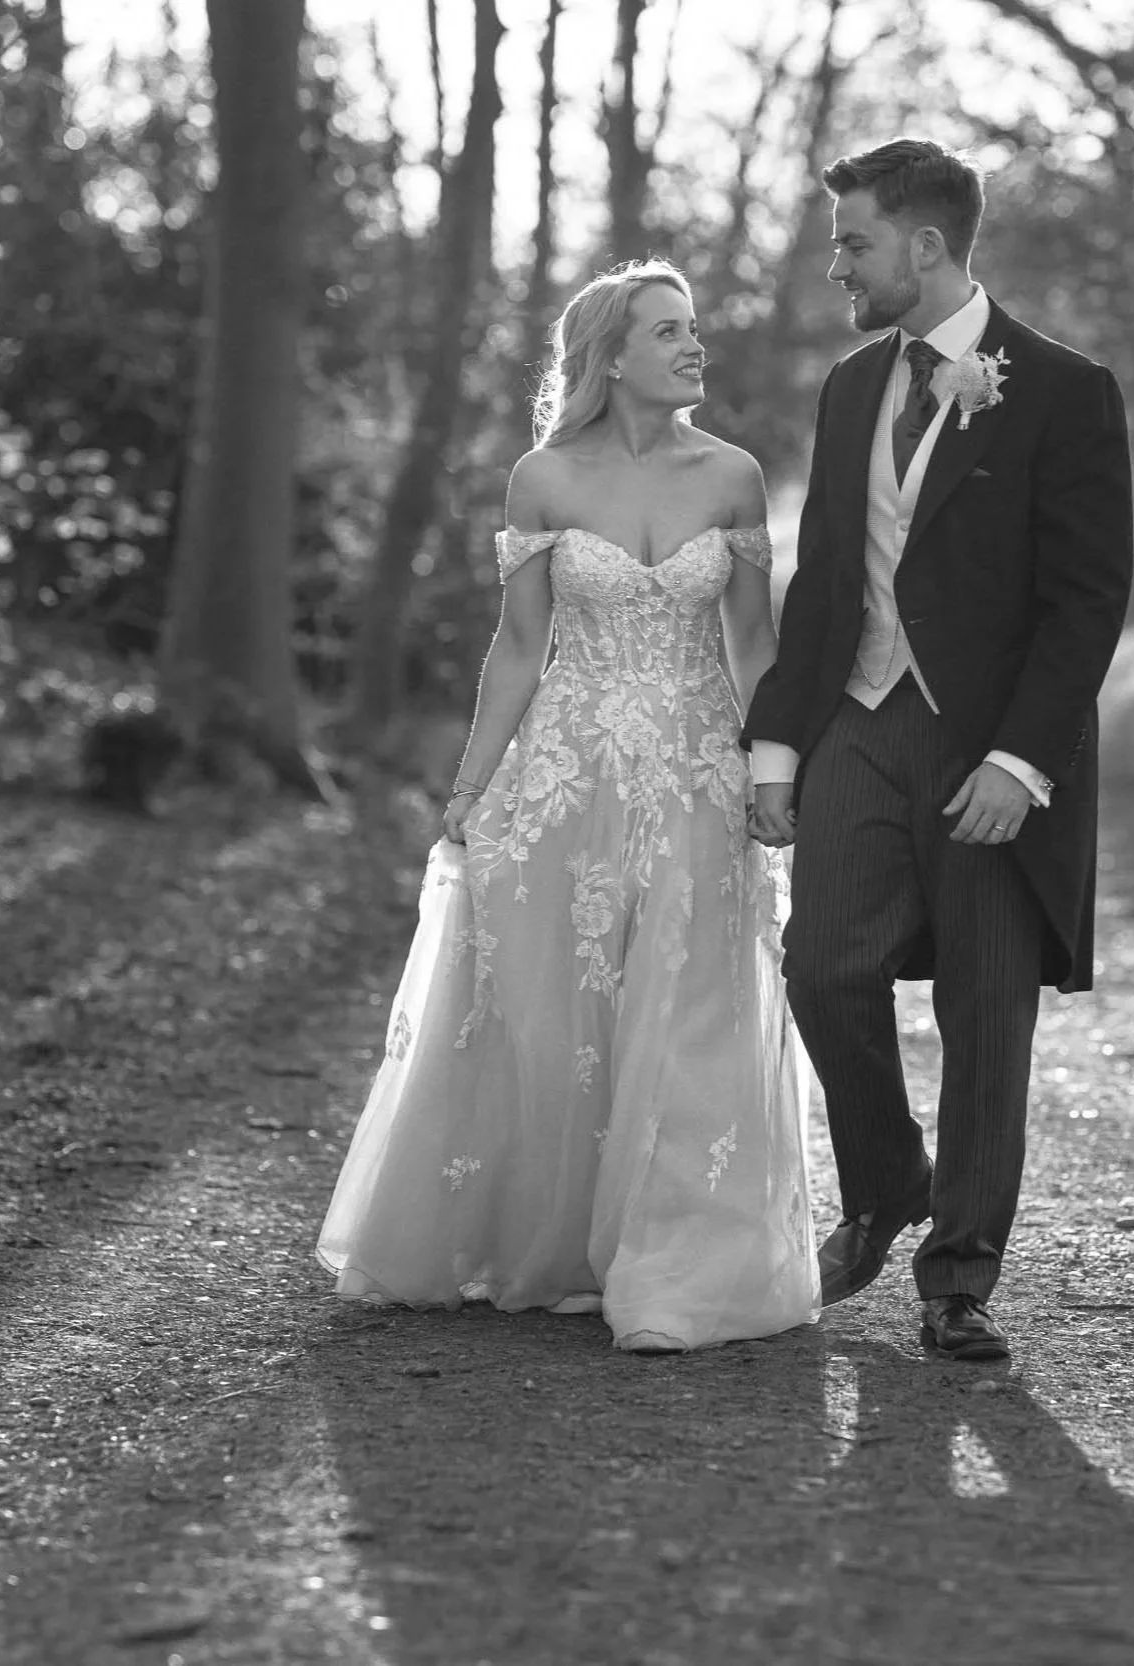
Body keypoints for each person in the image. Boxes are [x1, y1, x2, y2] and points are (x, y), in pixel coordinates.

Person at [317, 260, 818, 1354]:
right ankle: (556, 1243)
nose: (695, 347)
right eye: (669, 331)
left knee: (689, 1007)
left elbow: (752, 641)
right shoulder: (540, 480)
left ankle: (674, 1263)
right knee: (561, 1010)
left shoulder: (733, 475)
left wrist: (769, 772)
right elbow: (518, 645)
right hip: (567, 773)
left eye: (693, 329)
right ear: (609, 356)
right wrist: (471, 782)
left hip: (694, 771)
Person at [742, 139, 1133, 1364]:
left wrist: (1022, 764)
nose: (835, 263)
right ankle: (884, 1176)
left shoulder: (1066, 390)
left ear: (923, 246)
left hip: (986, 748)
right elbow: (824, 584)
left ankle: (955, 1276)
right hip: (859, 721)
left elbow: (1085, 600)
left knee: (982, 1009)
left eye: (852, 241)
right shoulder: (850, 385)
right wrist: (774, 745)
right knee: (819, 964)